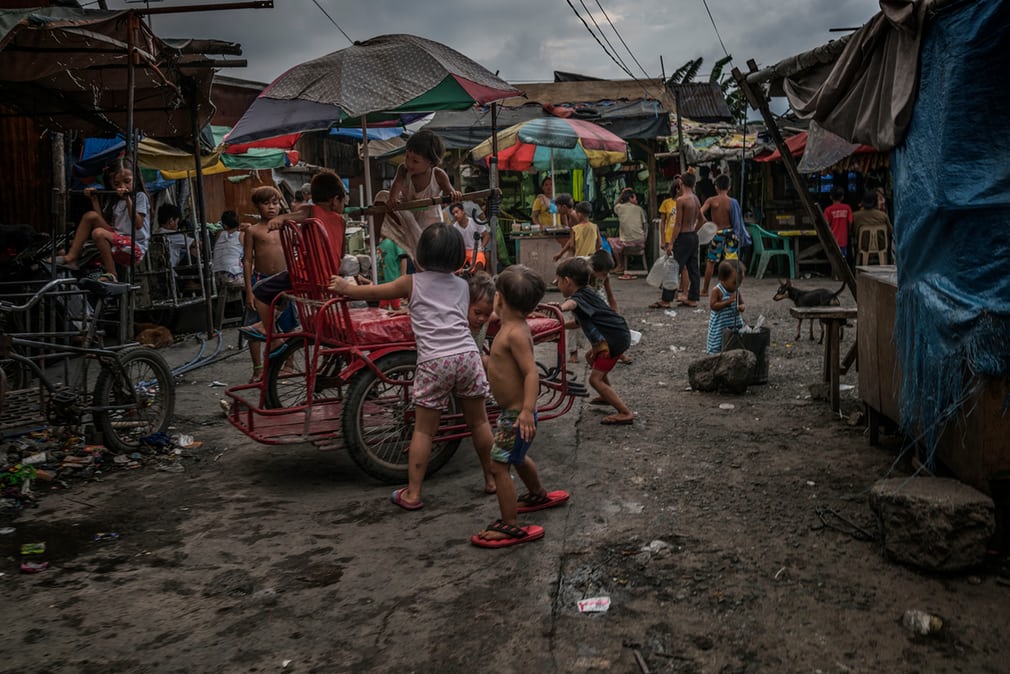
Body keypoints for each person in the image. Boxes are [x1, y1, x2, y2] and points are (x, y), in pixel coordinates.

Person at [329, 223, 496, 505]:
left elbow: (375, 293)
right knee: (479, 422)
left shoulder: (412, 282)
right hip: (467, 356)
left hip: (435, 362)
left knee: (423, 431)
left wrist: (345, 287)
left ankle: (414, 493)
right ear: (458, 258)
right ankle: (492, 479)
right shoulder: (462, 286)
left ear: (420, 255)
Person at [471, 264, 569, 548]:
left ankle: (510, 524)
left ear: (499, 299)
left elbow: (530, 372)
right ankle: (537, 492)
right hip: (514, 414)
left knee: (498, 466)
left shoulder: (513, 332)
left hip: (516, 415)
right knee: (516, 455)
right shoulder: (511, 325)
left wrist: (526, 410)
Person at [554, 257, 634, 425]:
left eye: (559, 281)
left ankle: (624, 412)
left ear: (567, 281)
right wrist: (558, 325)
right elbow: (578, 323)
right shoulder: (588, 292)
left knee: (594, 380)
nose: (556, 283)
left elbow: (571, 304)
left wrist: (558, 309)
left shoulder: (579, 298)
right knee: (591, 358)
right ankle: (607, 395)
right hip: (615, 335)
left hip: (612, 341)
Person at [55, 157, 150, 280]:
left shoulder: (140, 196)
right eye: (117, 184)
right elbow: (101, 222)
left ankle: (112, 273)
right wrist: (94, 200)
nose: (122, 186)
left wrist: (128, 199)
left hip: (134, 247)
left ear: (135, 179)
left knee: (98, 233)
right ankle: (71, 257)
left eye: (127, 181)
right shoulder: (114, 201)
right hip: (116, 238)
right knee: (91, 216)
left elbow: (138, 224)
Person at [377, 130, 461, 258]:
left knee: (424, 256)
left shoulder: (438, 174)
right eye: (407, 157)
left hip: (430, 224)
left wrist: (454, 195)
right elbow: (396, 185)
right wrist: (393, 198)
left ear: (431, 163)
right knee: (381, 195)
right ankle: (374, 236)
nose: (409, 163)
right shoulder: (403, 169)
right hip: (406, 217)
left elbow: (450, 194)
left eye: (415, 161)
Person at [240, 185, 285, 381]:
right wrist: (248, 290)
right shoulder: (253, 230)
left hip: (283, 280)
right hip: (260, 281)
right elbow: (248, 260)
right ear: (257, 207)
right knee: (254, 327)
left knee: (287, 324)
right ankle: (257, 368)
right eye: (266, 203)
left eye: (275, 203)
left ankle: (287, 366)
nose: (271, 208)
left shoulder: (284, 227)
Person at [588, 249, 632, 364]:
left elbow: (610, 295)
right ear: (594, 270)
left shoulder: (605, 277)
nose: (605, 275)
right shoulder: (584, 276)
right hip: (586, 303)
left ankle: (618, 353)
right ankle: (575, 352)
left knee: (607, 328)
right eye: (603, 273)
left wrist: (615, 313)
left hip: (600, 301)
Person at [700, 174, 740, 296]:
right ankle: (732, 289)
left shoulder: (712, 200)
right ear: (729, 187)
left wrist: (706, 223)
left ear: (716, 187)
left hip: (717, 233)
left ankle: (705, 290)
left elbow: (699, 212)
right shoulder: (733, 202)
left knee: (711, 262)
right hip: (730, 234)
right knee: (732, 263)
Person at [668, 171, 703, 307]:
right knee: (693, 268)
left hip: (683, 236)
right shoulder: (695, 199)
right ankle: (693, 298)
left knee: (674, 267)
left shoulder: (681, 200)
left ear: (681, 183)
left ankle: (667, 299)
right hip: (693, 236)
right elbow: (702, 219)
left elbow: (677, 223)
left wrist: (671, 242)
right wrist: (694, 231)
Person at [706, 260, 745, 354]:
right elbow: (713, 306)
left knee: (734, 342)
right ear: (722, 279)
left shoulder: (736, 291)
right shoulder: (717, 290)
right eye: (735, 283)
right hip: (720, 325)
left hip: (734, 323)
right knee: (718, 344)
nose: (737, 285)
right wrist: (727, 302)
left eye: (740, 283)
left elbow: (742, 304)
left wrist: (741, 307)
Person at [611, 188, 647, 279]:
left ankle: (620, 265)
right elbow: (644, 225)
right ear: (630, 198)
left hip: (627, 243)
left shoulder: (620, 208)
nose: (636, 200)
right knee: (622, 239)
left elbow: (615, 205)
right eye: (635, 198)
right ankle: (621, 266)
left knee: (610, 240)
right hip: (640, 241)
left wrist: (621, 194)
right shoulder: (639, 209)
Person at [449, 202, 489, 272]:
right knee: (454, 268)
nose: (455, 215)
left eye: (456, 212)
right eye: (453, 214)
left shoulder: (475, 222)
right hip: (463, 252)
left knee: (479, 264)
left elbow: (486, 236)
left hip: (476, 250)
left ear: (463, 211)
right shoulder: (454, 228)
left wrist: (481, 247)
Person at [156, 203, 197, 269]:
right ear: (171, 221)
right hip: (173, 272)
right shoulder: (172, 234)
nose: (177, 226)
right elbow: (196, 243)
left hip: (164, 269)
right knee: (195, 249)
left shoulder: (158, 233)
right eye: (177, 222)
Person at [467, 271, 496, 359]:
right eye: (477, 313)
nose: (482, 318)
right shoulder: (460, 324)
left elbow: (502, 313)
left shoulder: (486, 320)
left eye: (487, 314)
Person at [212, 210, 244, 286]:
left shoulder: (219, 233)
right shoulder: (242, 235)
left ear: (224, 225)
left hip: (217, 276)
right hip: (233, 275)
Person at [377, 233, 408, 310]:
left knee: (396, 307)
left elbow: (403, 258)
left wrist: (403, 276)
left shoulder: (394, 241)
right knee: (383, 308)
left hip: (393, 281)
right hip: (383, 282)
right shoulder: (379, 245)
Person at [823, 187, 853, 257]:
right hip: (843, 240)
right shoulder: (847, 208)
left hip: (832, 240)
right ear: (842, 197)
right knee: (843, 260)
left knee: (834, 259)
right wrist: (849, 232)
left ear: (830, 197)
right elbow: (850, 222)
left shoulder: (828, 210)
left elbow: (826, 224)